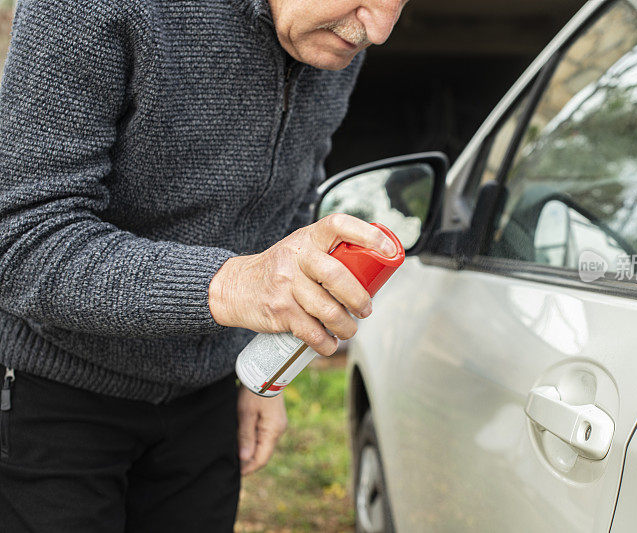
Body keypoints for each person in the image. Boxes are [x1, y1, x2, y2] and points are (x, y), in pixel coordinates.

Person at [0, 0, 407, 530]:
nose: (376, 29)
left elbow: (291, 199)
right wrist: (237, 285)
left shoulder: (336, 33)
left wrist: (263, 373)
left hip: (206, 398)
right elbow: (22, 238)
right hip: (56, 394)